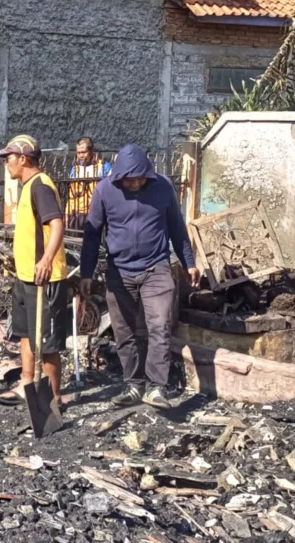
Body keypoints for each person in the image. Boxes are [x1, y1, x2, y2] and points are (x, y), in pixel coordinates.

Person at [79, 144, 197, 410]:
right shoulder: (104, 190)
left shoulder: (163, 187)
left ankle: (156, 388)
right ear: (119, 175)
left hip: (156, 268)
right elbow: (92, 233)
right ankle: (133, 384)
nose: (135, 182)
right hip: (119, 271)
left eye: (140, 177)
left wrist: (189, 262)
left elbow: (177, 228)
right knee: (124, 332)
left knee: (159, 327)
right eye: (129, 178)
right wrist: (86, 273)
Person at [0, 135, 69, 407]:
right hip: (25, 275)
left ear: (23, 159)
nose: (6, 163)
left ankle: (53, 399)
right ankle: (27, 384)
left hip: (44, 277)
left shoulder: (40, 186)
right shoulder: (26, 187)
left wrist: (47, 259)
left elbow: (57, 223)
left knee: (47, 343)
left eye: (8, 158)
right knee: (26, 333)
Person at [66, 136, 112, 229]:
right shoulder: (75, 170)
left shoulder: (103, 167)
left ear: (92, 151)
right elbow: (71, 196)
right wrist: (67, 213)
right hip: (77, 214)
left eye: (83, 152)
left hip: (97, 213)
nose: (81, 156)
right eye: (78, 153)